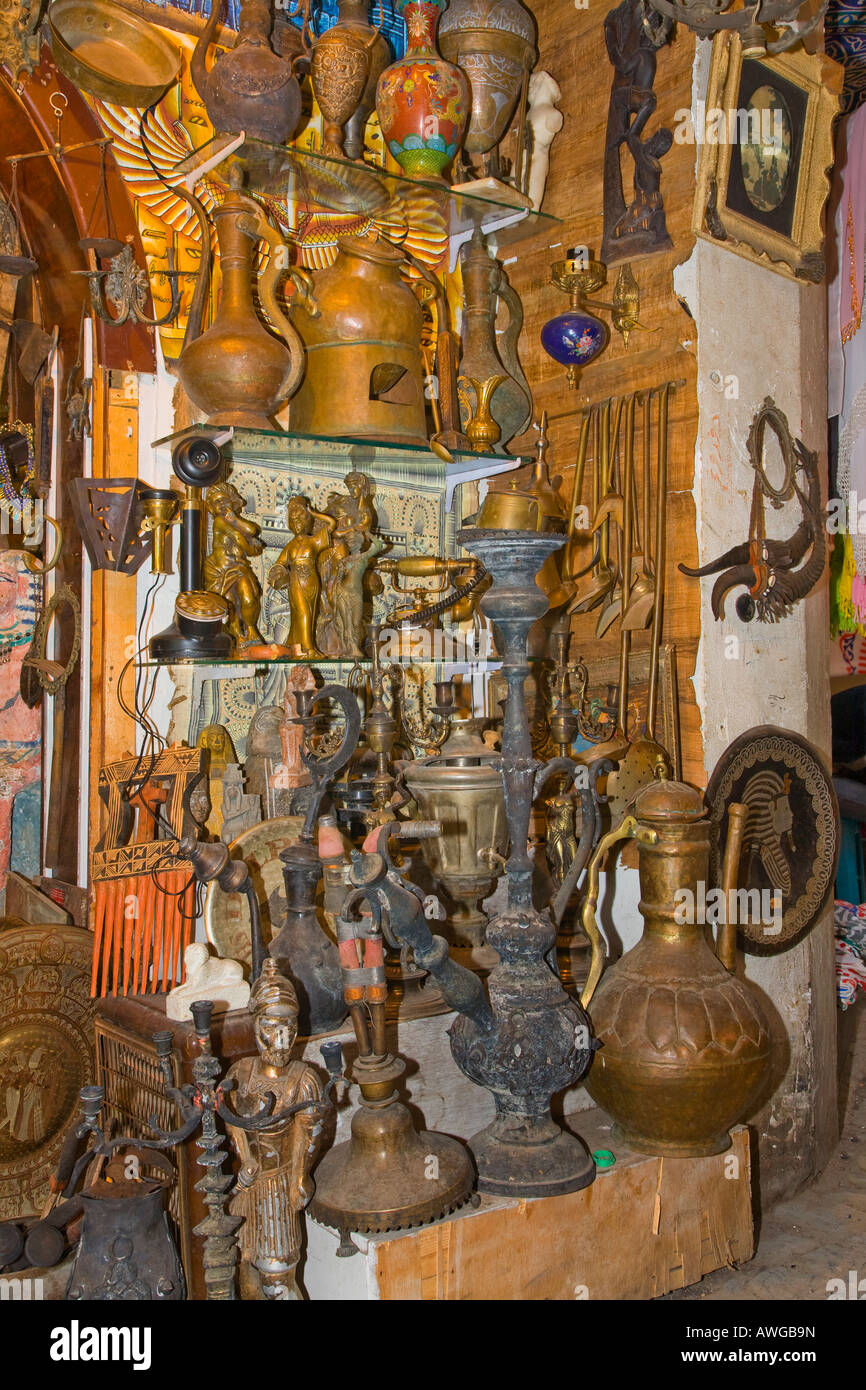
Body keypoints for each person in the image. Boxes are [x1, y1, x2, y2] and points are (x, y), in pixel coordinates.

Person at [225, 960, 327, 1300]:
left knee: (278, 1279)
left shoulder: (303, 1080)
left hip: (277, 1191)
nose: (282, 1040)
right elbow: (230, 1115)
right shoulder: (241, 1071)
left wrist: (301, 1176)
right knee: (246, 1274)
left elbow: (310, 1132)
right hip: (248, 1189)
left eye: (290, 1026)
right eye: (272, 1026)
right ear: (256, 1026)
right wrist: (245, 1157)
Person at [268, 496, 335, 657]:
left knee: (310, 615)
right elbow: (279, 564)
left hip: (311, 581)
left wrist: (314, 512)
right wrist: (277, 574)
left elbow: (331, 524)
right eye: (294, 521)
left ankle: (302, 647)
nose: (298, 524)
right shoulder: (290, 546)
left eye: (301, 520)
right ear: (290, 524)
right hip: (296, 583)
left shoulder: (313, 541)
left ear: (307, 522)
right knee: (302, 613)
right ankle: (307, 649)